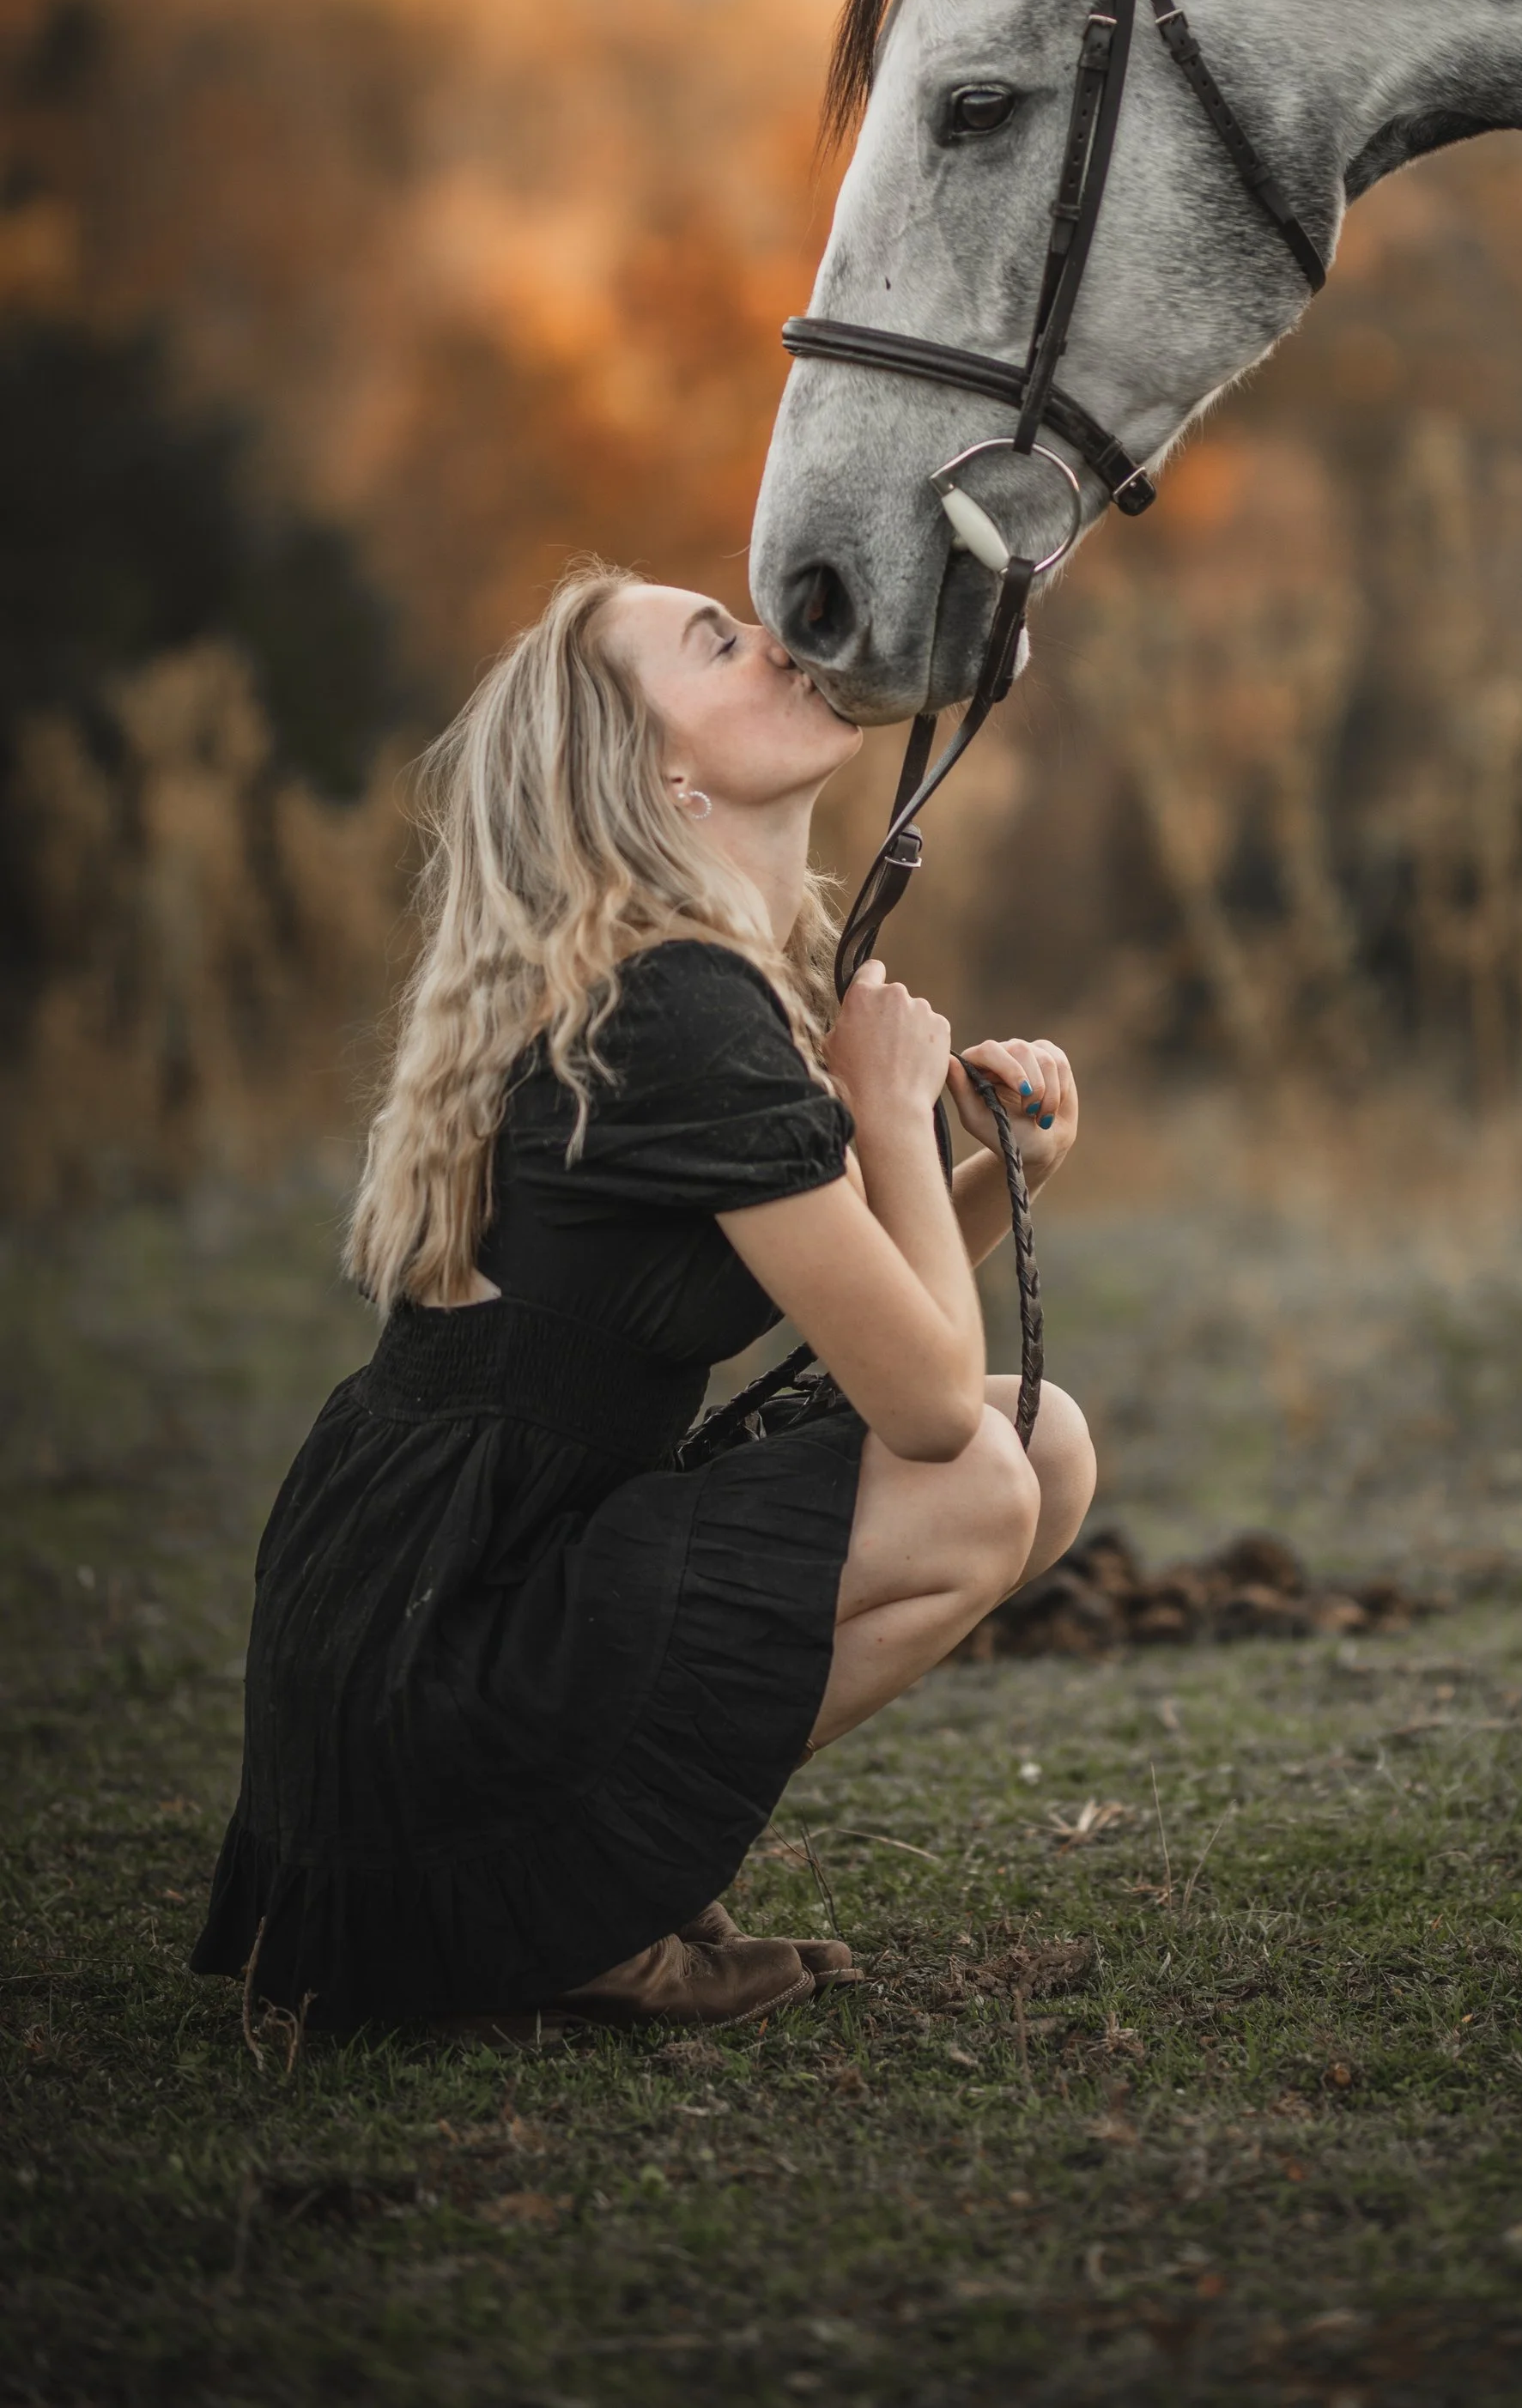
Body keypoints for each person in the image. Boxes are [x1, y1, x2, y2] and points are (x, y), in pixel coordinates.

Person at [192, 561, 1095, 2033]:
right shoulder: (668, 1004)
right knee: (989, 1476)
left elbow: (881, 1313)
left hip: (445, 1596)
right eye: (721, 642)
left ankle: (602, 1863)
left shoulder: (702, 980)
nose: (781, 644)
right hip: (442, 1643)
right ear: (654, 770)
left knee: (1041, 1445)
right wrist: (888, 1112)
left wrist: (1001, 1171)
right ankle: (574, 1903)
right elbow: (927, 1411)